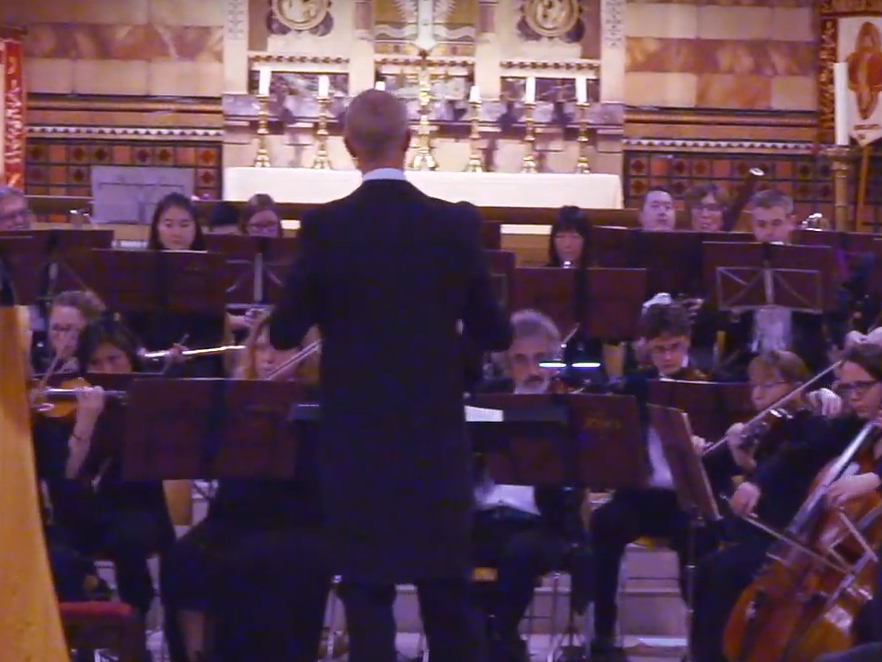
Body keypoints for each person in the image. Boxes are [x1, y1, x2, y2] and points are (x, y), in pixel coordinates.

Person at [269, 89, 513, 662]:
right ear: (409, 141)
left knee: (367, 592)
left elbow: (284, 332)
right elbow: (496, 330)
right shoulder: (454, 225)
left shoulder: (326, 227)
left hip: (356, 442)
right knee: (448, 596)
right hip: (434, 439)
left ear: (349, 146)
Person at [475, 310, 590, 662]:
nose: (532, 370)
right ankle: (475, 641)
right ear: (508, 365)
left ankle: (502, 638)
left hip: (543, 524)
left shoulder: (573, 407)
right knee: (446, 546)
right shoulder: (485, 401)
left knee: (520, 552)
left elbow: (583, 479)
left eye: (541, 359)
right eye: (521, 361)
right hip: (486, 513)